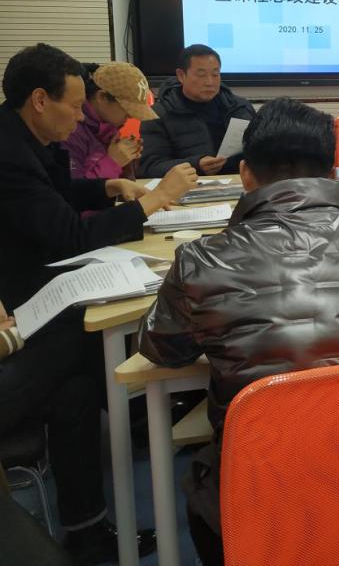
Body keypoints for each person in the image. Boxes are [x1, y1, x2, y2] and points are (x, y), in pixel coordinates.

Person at [137, 98, 339, 566]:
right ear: (331, 174)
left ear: (245, 175)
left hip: (261, 503)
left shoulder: (201, 260)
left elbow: (161, 348)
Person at [0, 43, 196, 564]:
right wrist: (152, 201)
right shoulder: (8, 154)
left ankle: (86, 531)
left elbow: (60, 197)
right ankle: (155, 411)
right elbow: (67, 234)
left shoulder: (32, 138)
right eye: (73, 105)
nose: (79, 115)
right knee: (85, 342)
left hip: (28, 294)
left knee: (77, 388)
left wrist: (106, 187)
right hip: (19, 303)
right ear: (40, 100)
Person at [139, 44, 256, 178]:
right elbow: (149, 167)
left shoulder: (240, 108)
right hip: (189, 186)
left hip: (239, 182)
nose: (209, 82)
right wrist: (196, 165)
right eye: (201, 75)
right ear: (181, 75)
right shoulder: (157, 115)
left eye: (215, 74)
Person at [61, 62, 156, 180]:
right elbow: (72, 188)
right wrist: (114, 162)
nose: (131, 116)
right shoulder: (69, 131)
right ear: (102, 97)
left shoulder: (108, 126)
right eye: (127, 109)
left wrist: (128, 161)